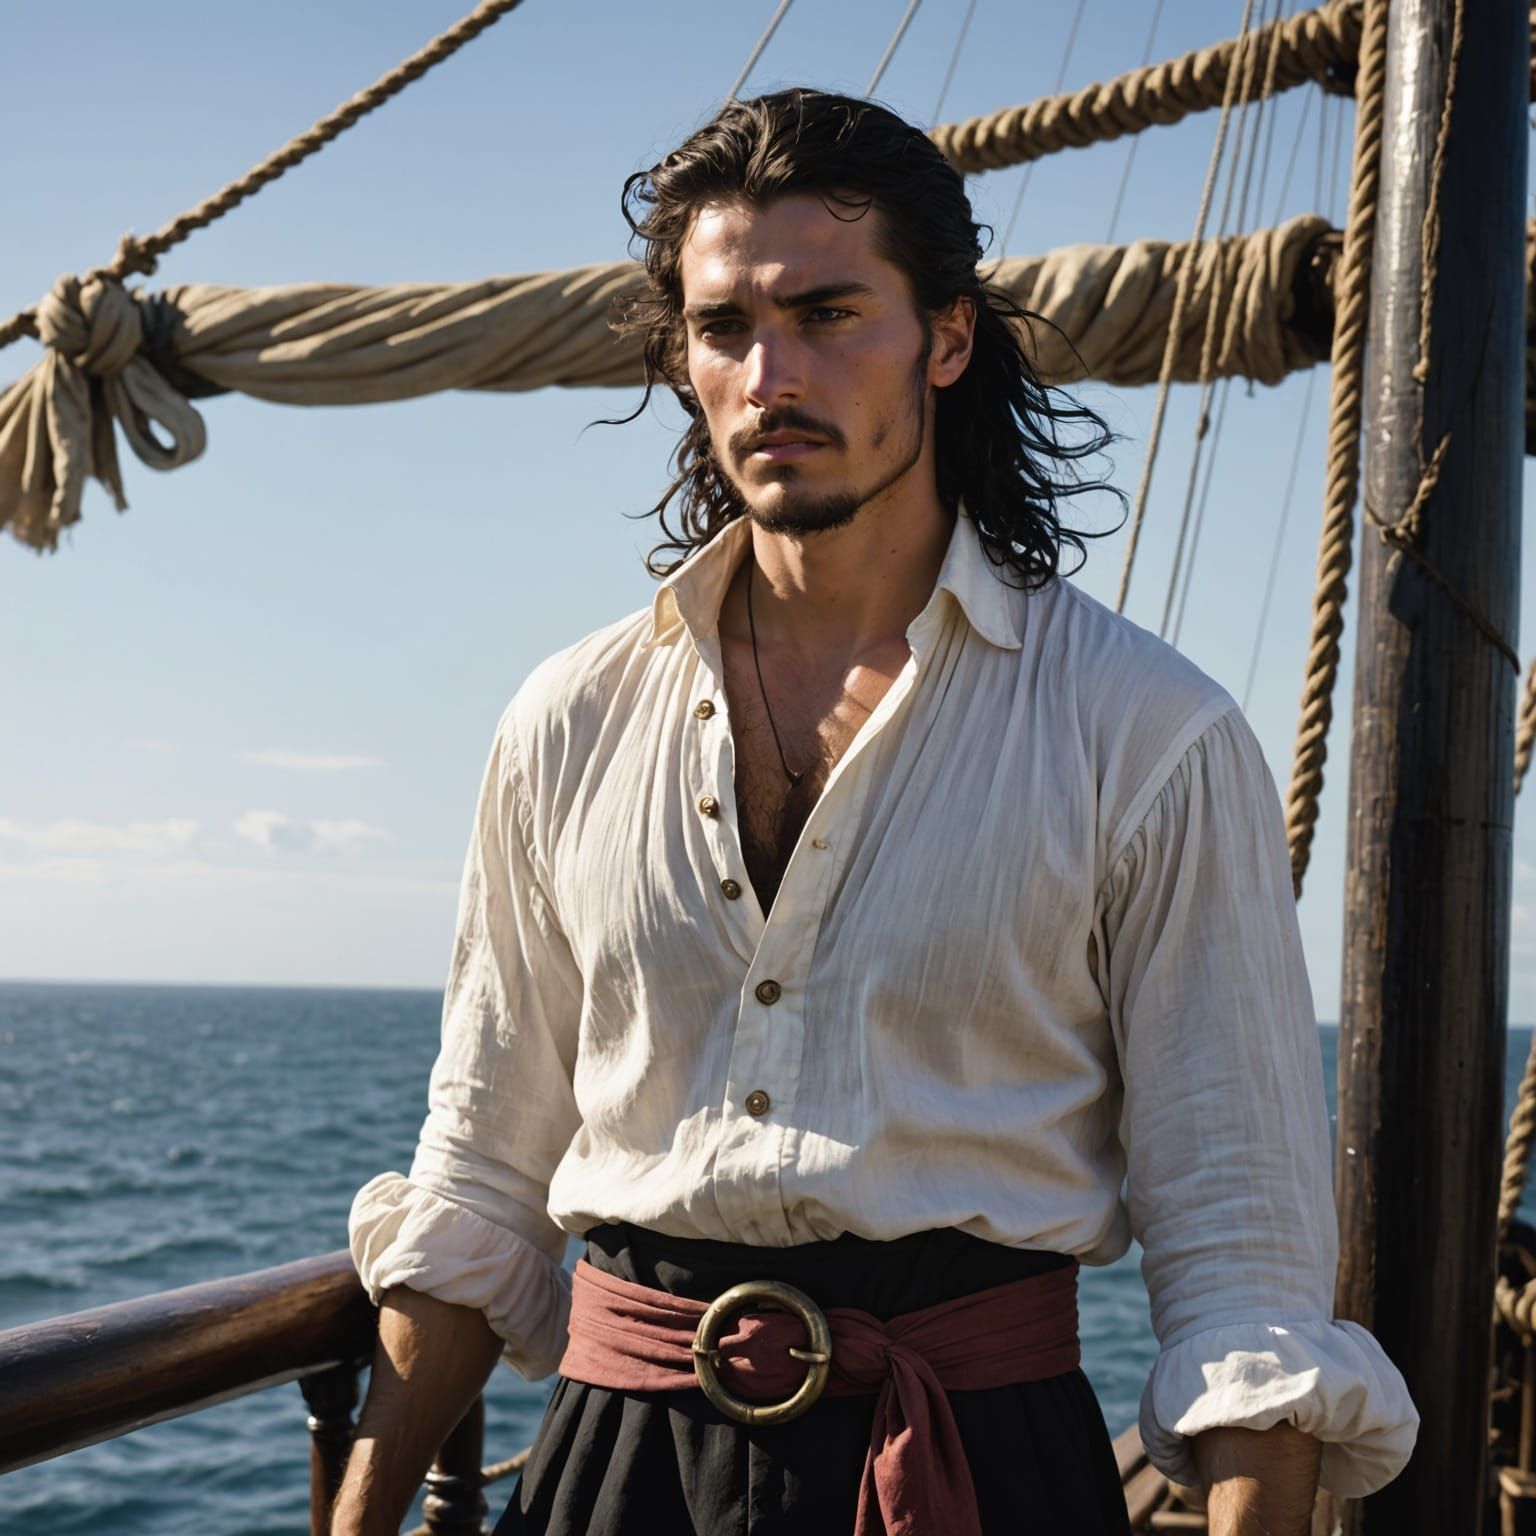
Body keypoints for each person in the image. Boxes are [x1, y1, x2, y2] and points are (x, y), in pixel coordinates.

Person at [329, 89, 1418, 1536]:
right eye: (725, 329)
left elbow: (1244, 1269)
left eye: (830, 313)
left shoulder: (1148, 735)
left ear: (947, 340)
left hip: (973, 1470)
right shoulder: (566, 724)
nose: (772, 372)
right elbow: (479, 1185)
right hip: (612, 1476)